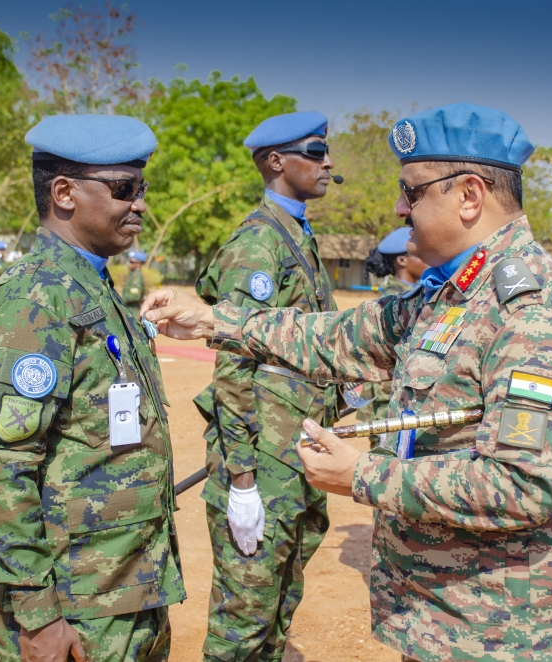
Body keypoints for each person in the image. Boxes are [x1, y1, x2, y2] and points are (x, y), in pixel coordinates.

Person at [143, 103, 552, 661]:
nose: (399, 208)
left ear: (469, 195)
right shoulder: (452, 294)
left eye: (411, 192)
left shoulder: (534, 314)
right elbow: (338, 336)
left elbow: (523, 485)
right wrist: (214, 319)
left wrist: (362, 474)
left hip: (511, 635)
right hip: (452, 621)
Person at [0, 113, 184, 662]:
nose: (139, 203)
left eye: (142, 188)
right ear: (64, 193)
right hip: (74, 604)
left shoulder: (91, 288)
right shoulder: (34, 301)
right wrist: (38, 616)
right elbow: (4, 468)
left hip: (124, 586)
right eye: (123, 189)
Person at [191, 110, 339, 661]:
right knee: (243, 621)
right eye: (316, 152)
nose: (328, 164)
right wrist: (242, 479)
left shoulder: (296, 233)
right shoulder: (258, 244)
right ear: (276, 162)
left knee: (278, 607)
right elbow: (232, 367)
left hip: (294, 456)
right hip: (262, 462)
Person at [358, 227, 428, 445]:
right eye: (420, 254)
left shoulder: (415, 294)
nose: (427, 260)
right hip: (389, 405)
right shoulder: (394, 300)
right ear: (402, 261)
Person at [120, 249, 146, 315]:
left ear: (139, 264)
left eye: (131, 262)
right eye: (128, 261)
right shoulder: (132, 274)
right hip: (129, 309)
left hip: (133, 312)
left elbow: (135, 296)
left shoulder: (137, 276)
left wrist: (121, 300)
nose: (128, 263)